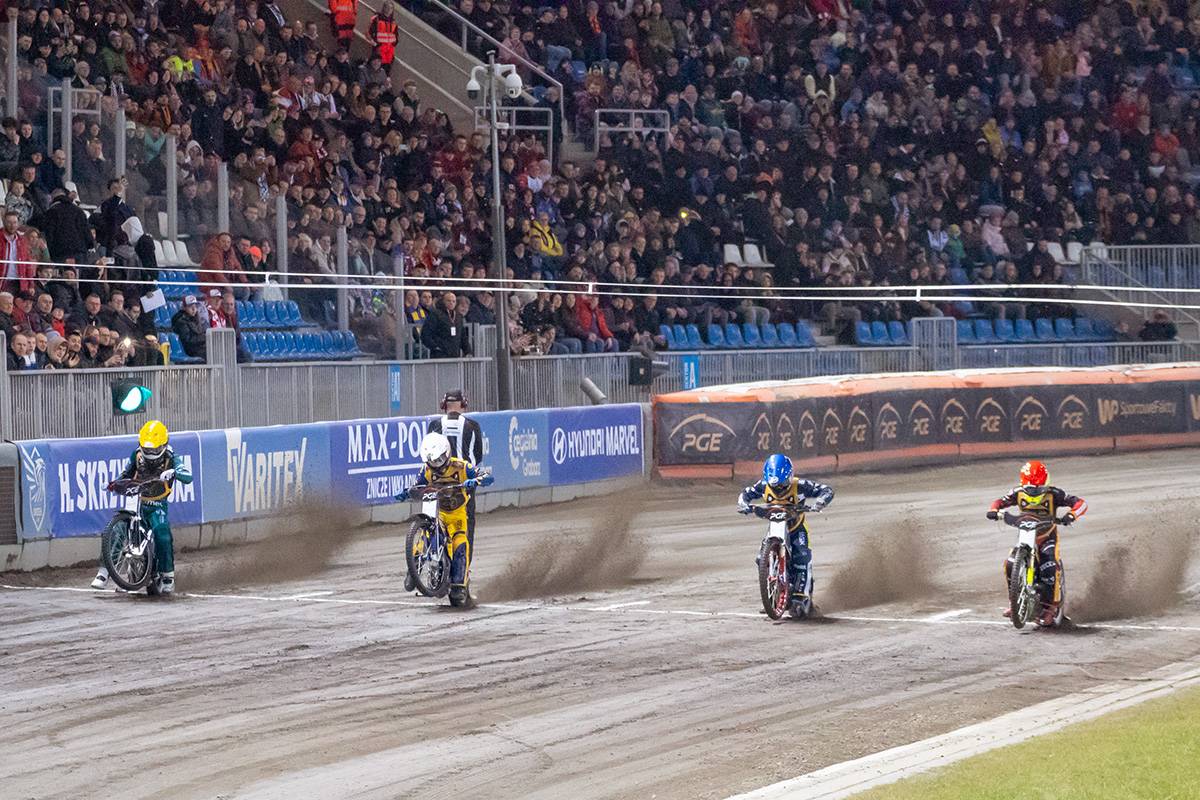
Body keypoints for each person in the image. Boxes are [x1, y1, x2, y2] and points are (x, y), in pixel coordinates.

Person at [91, 420, 193, 593]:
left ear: (163, 445)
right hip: (138, 500)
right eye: (147, 449)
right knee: (117, 530)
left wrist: (174, 472)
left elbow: (188, 476)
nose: (150, 453)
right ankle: (104, 571)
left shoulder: (171, 457)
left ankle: (167, 576)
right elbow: (126, 474)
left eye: (154, 450)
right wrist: (113, 484)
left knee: (162, 533)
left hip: (157, 504)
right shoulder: (137, 455)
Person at [396, 432, 493, 605]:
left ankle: (459, 586)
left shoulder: (461, 466)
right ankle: (413, 570)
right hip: (437, 512)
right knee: (425, 536)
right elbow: (417, 485)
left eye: (439, 460)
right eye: (432, 461)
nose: (436, 465)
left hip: (457, 514)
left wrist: (476, 481)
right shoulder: (426, 470)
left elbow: (487, 476)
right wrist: (407, 492)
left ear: (447, 453)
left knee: (460, 544)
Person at [986, 460, 1087, 626]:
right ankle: (1014, 601)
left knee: (1049, 567)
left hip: (1047, 537)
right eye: (1031, 490)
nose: (1034, 494)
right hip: (1025, 536)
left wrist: (1071, 515)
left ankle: (1051, 608)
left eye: (1038, 489)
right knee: (1010, 564)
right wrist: (994, 510)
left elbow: (1081, 503)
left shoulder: (1055, 494)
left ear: (1046, 484)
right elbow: (999, 502)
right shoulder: (1017, 492)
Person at [736, 454, 834, 607]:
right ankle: (771, 593)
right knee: (760, 559)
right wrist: (744, 505)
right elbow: (745, 494)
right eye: (775, 485)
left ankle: (802, 595)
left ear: (790, 476)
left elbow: (827, 490)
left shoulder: (800, 485)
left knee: (802, 556)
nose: (779, 489)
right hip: (774, 528)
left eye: (782, 484)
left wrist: (820, 502)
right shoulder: (762, 485)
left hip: (796, 528)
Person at [411, 389, 484, 592]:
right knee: (463, 532)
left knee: (428, 524)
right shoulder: (472, 426)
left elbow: (428, 450)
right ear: (463, 405)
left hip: (434, 481)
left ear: (444, 405)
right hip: (461, 484)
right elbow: (478, 457)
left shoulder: (435, 425)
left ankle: (415, 566)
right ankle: (461, 580)